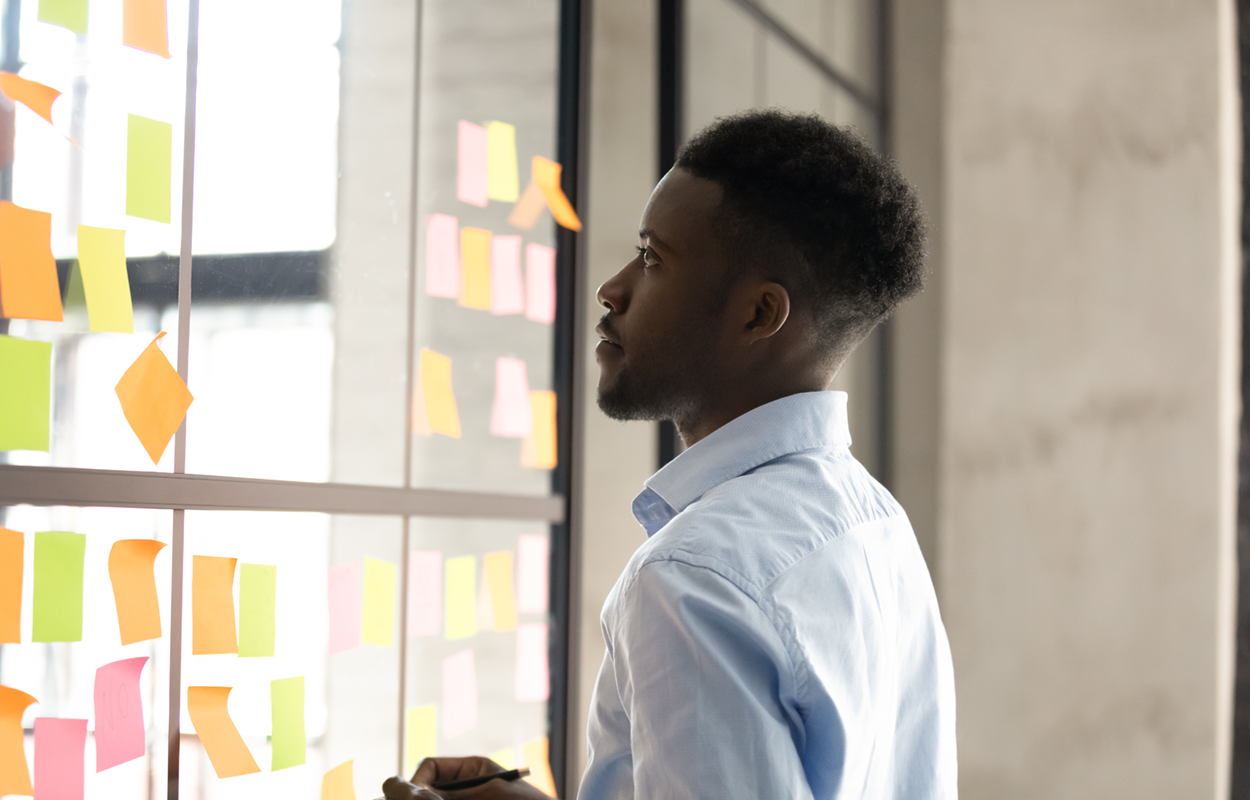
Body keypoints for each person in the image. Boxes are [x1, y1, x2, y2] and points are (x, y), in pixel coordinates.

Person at [383, 109, 956, 799]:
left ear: (757, 315)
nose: (612, 288)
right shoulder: (873, 523)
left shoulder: (695, 577)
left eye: (653, 258)